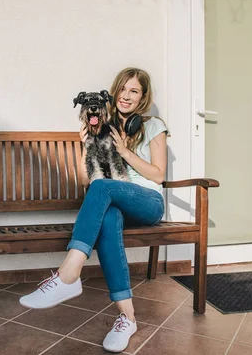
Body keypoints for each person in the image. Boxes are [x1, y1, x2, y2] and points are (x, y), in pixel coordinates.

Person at [19, 67, 168, 353]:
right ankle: (128, 318)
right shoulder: (102, 125)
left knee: (102, 187)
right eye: (122, 90)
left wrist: (125, 153)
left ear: (142, 97)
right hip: (117, 205)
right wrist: (85, 144)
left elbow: (159, 174)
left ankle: (68, 274)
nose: (126, 96)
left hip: (147, 201)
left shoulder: (153, 125)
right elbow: (85, 179)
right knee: (108, 215)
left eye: (134, 91)